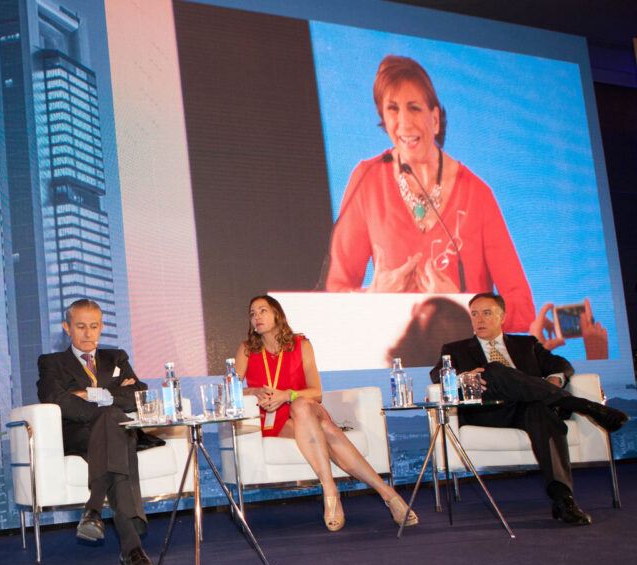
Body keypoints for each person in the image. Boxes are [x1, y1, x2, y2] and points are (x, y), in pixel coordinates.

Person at [324, 54, 536, 335]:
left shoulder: (477, 194)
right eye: (392, 109)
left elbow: (522, 309)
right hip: (395, 364)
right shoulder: (367, 180)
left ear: (434, 119)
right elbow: (333, 293)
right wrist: (371, 297)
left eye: (414, 108)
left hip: (469, 368)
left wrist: (462, 305)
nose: (404, 123)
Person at [430, 292, 628, 525]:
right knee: (493, 370)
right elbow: (437, 376)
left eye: (486, 313)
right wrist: (464, 377)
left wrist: (554, 380)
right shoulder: (456, 348)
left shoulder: (526, 344)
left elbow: (561, 365)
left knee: (542, 412)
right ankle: (586, 407)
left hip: (529, 409)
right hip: (491, 413)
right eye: (474, 314)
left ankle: (563, 500)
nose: (479, 319)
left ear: (502, 316)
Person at [235, 295, 418, 531]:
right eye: (252, 313)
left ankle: (329, 489)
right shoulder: (247, 350)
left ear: (277, 315)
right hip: (274, 419)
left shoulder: (301, 344)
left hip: (307, 409)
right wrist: (253, 391)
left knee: (301, 405)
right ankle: (389, 495)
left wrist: (287, 395)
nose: (256, 317)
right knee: (327, 430)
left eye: (263, 311)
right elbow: (231, 391)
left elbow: (317, 393)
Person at [36, 299, 160, 565]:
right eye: (80, 326)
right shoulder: (52, 362)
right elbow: (55, 399)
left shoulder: (117, 358)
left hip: (113, 434)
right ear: (67, 328)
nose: (88, 333)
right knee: (112, 422)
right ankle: (131, 549)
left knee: (113, 431)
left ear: (102, 327)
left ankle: (95, 512)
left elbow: (140, 394)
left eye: (94, 326)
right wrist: (109, 398)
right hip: (78, 434)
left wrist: (89, 394)